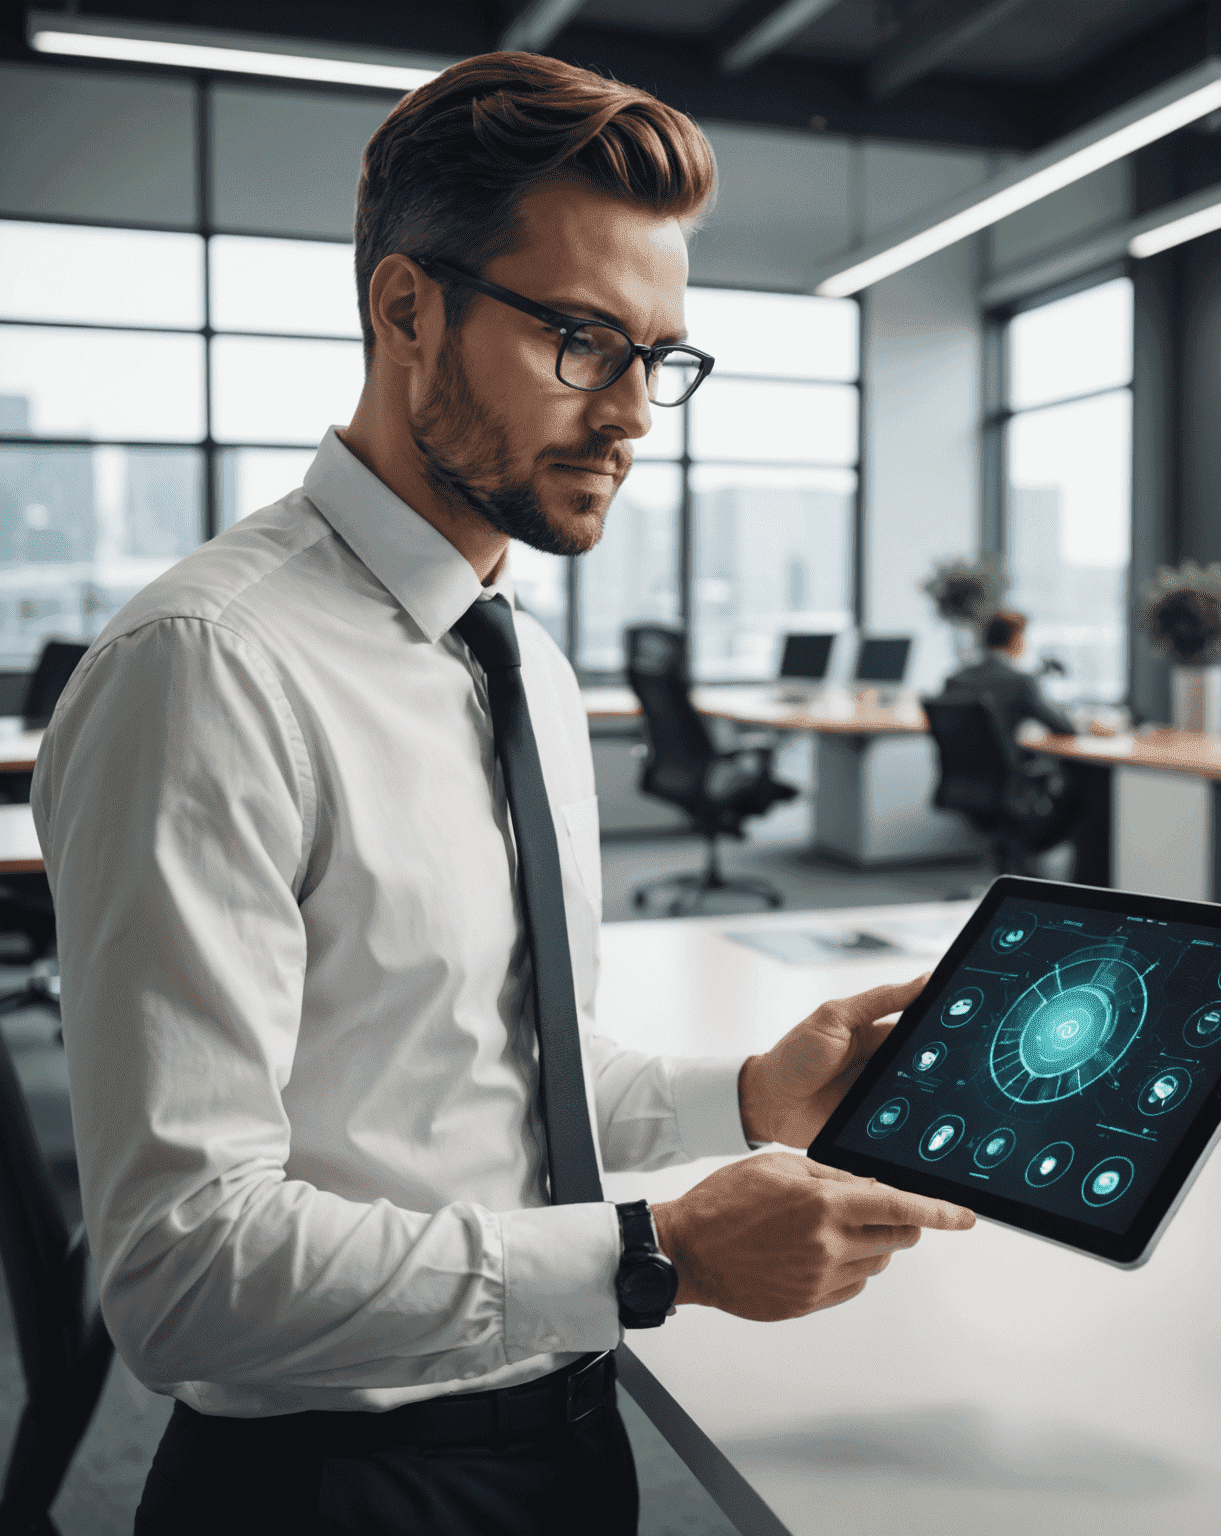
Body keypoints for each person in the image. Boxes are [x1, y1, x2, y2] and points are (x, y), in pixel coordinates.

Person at [33, 53, 973, 1536]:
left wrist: (742, 1099)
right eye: (586, 341)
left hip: (563, 1441)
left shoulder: (515, 656)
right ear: (409, 310)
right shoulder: (209, 667)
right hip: (334, 1491)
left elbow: (493, 1080)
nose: (637, 415)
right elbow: (181, 1274)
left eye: (660, 356)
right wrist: (654, 1253)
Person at [943, 608, 1103, 739]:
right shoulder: (1020, 682)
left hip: (959, 776)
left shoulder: (954, 680)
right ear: (1015, 639)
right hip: (1011, 776)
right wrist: (1087, 725)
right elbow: (1062, 728)